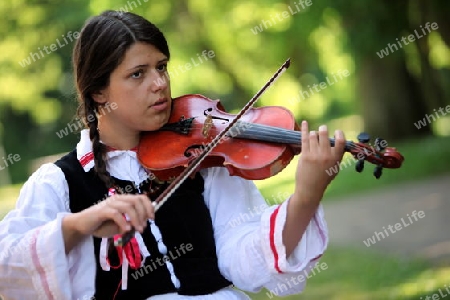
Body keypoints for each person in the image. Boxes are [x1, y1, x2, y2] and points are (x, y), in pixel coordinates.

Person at [0, 10, 345, 300]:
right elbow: (7, 269)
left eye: (161, 67)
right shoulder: (59, 183)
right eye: (138, 74)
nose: (160, 83)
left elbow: (244, 258)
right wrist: (80, 223)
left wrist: (306, 197)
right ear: (99, 93)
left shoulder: (202, 159)